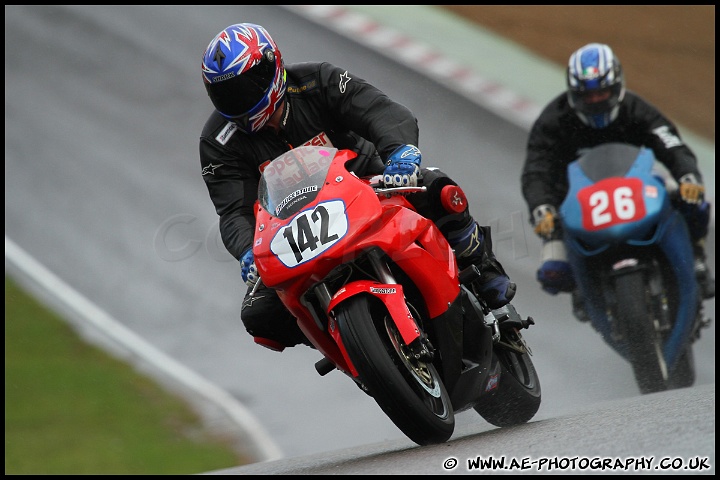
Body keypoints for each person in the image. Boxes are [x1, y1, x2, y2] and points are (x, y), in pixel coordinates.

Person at [199, 23, 516, 351]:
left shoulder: (317, 80)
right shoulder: (217, 142)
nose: (239, 101)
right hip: (294, 233)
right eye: (226, 94)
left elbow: (381, 111)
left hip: (367, 186)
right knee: (259, 314)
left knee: (436, 188)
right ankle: (349, 345)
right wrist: (246, 252)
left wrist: (399, 153)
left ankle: (489, 282)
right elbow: (233, 209)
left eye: (246, 87)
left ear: (273, 67)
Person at [521, 42, 715, 321]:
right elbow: (535, 170)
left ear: (617, 86)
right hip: (576, 205)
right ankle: (584, 291)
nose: (596, 100)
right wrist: (542, 206)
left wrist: (688, 176)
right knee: (554, 271)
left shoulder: (636, 109)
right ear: (573, 93)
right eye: (588, 96)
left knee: (692, 200)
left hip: (639, 191)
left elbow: (671, 144)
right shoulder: (553, 121)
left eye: (603, 92)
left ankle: (696, 258)